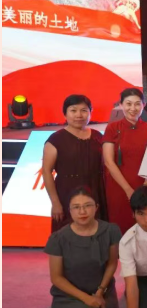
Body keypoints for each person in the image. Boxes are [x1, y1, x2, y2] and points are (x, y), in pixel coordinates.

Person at [44, 186, 123, 308]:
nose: (82, 211)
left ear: (96, 207)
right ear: (70, 210)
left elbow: (112, 263)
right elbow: (56, 278)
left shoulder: (111, 230)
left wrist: (100, 291)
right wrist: (86, 299)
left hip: (102, 291)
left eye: (87, 205)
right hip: (70, 295)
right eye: (76, 207)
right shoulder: (58, 238)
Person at [42, 95, 108, 233]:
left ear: (90, 112)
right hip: (67, 194)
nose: (79, 115)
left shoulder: (98, 136)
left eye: (84, 110)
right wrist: (55, 203)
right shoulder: (55, 139)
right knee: (68, 236)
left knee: (98, 234)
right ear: (65, 114)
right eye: (73, 110)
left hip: (96, 192)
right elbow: (47, 172)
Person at [103, 88, 147, 234]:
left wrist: (146, 183)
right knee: (120, 227)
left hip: (144, 186)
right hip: (118, 187)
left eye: (137, 104)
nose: (133, 108)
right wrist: (128, 190)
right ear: (121, 105)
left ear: (143, 105)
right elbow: (108, 162)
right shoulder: (112, 128)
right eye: (128, 104)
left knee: (144, 227)